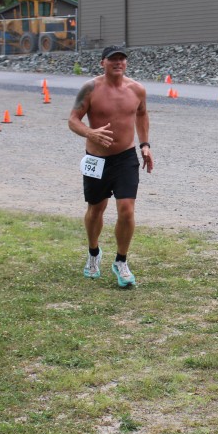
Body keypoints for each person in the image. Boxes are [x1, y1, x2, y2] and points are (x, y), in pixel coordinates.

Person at [68, 45, 154, 287]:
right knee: (96, 209)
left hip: (125, 158)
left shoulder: (137, 89)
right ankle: (93, 253)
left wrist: (145, 144)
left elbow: (141, 114)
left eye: (122, 59)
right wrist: (90, 132)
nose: (118, 62)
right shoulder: (90, 88)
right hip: (96, 159)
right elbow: (73, 120)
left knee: (126, 209)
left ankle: (121, 261)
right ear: (102, 63)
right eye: (113, 59)